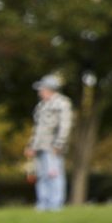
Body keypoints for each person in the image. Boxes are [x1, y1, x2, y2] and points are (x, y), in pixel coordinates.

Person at [30, 74, 72, 212]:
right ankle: (43, 204)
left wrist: (58, 144)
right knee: (41, 176)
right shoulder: (41, 106)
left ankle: (56, 205)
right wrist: (31, 146)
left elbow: (64, 126)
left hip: (52, 147)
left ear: (49, 89)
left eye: (41, 89)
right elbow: (38, 129)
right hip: (40, 147)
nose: (39, 92)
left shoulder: (62, 103)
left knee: (54, 175)